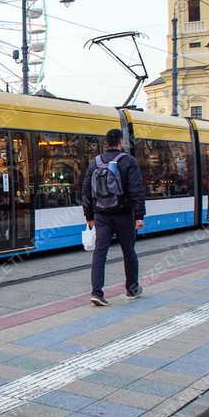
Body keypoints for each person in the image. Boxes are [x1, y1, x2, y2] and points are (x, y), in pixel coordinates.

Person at [80, 128, 146, 306]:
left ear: (105, 143)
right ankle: (132, 289)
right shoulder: (129, 161)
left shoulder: (95, 163)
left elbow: (86, 190)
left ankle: (97, 292)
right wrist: (139, 215)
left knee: (100, 253)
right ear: (120, 142)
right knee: (129, 252)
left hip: (101, 215)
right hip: (124, 215)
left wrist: (89, 215)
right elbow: (136, 190)